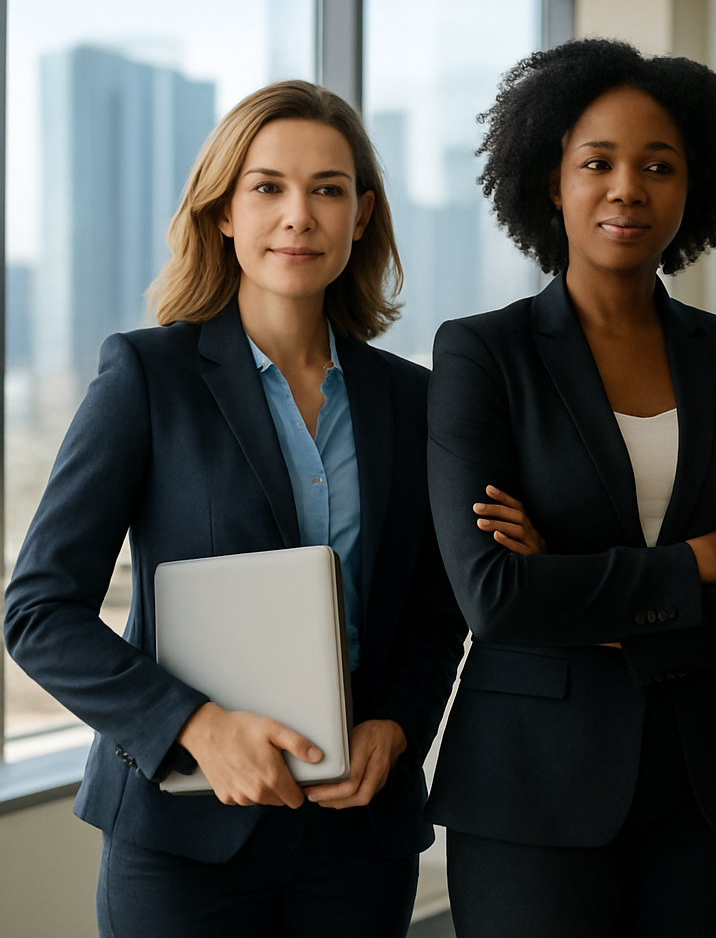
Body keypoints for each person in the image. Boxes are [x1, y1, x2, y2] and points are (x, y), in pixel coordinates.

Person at [2, 80, 467, 937]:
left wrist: (400, 726)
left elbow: (436, 613)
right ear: (222, 212)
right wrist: (195, 726)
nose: (300, 215)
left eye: (329, 189)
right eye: (268, 187)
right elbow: (37, 611)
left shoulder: (417, 402)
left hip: (357, 839)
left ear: (362, 215)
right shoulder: (148, 379)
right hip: (184, 839)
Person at [423, 37, 716, 938]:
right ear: (549, 180)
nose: (627, 189)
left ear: (696, 187)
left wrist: (582, 597)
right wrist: (700, 562)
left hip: (709, 788)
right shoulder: (482, 354)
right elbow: (493, 597)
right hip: (531, 789)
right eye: (596, 162)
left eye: (658, 166)